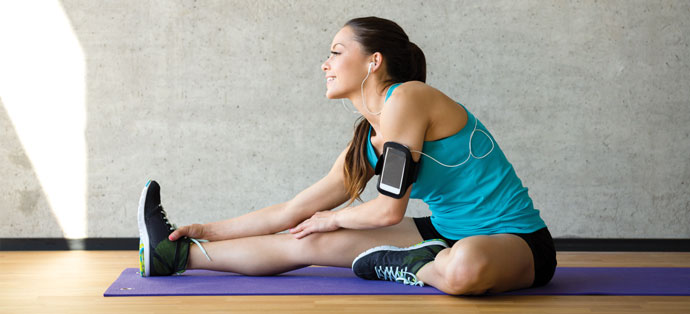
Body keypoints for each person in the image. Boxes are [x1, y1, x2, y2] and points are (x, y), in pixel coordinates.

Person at [137, 16, 556, 295]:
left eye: (336, 52)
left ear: (374, 62)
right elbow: (293, 211)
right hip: (441, 234)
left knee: (465, 268)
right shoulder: (366, 142)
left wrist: (334, 218)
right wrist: (203, 230)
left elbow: (389, 210)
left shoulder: (409, 98)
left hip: (515, 241)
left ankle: (411, 265)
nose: (325, 64)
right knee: (306, 239)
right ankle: (172, 256)